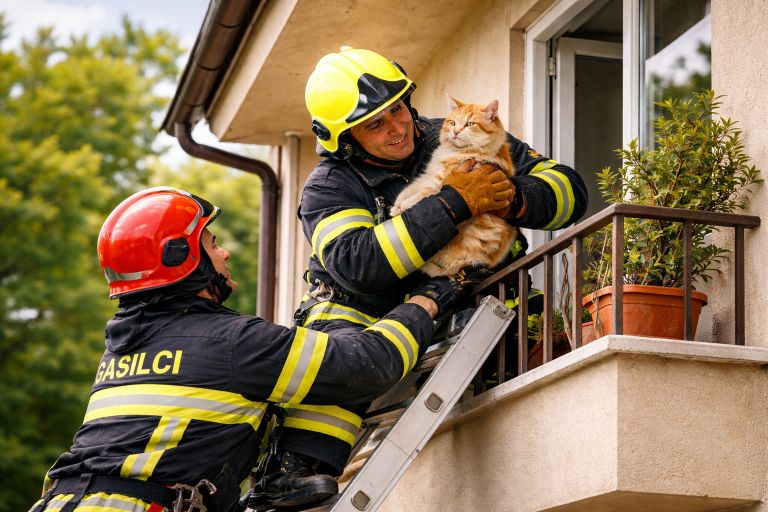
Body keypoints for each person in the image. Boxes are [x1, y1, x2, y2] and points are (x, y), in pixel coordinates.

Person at [28, 187, 480, 512]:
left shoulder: (122, 352)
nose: (224, 255)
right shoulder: (232, 344)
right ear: (182, 259)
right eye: (212, 243)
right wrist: (427, 301)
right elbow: (366, 366)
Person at [263, 47, 589, 494]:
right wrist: (452, 204)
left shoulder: (460, 132)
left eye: (396, 109)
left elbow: (570, 191)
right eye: (375, 124)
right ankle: (297, 469)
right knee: (336, 345)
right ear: (343, 138)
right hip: (379, 316)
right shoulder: (329, 186)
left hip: (482, 303)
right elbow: (360, 264)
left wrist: (509, 196)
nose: (397, 128)